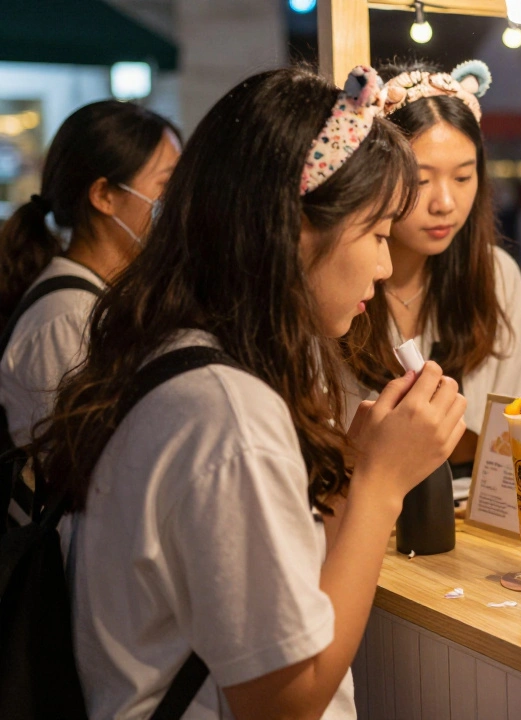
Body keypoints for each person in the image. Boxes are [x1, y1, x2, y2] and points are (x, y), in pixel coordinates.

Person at [31, 66, 466, 718]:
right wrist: (380, 484)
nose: (383, 267)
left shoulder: (175, 360)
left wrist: (353, 470)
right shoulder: (226, 413)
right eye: (376, 234)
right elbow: (283, 701)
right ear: (291, 228)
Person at [344, 60, 521, 467]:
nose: (445, 204)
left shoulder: (496, 274)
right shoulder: (341, 278)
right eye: (421, 180)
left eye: (463, 177)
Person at [0, 101, 179, 450]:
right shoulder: (66, 319)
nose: (179, 202)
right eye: (167, 184)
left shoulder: (102, 299)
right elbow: (81, 473)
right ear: (104, 196)